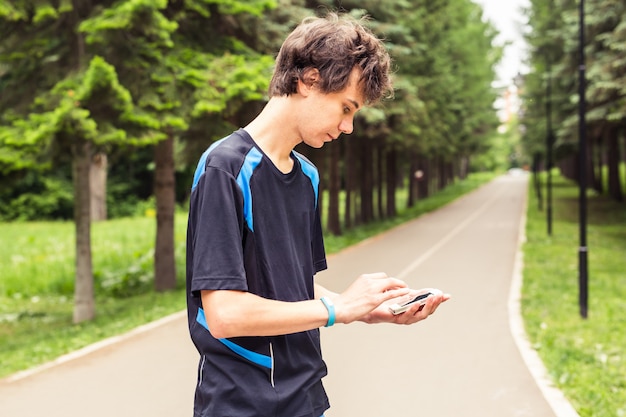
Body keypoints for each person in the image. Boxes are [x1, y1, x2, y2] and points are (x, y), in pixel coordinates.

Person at [186, 12, 450, 417]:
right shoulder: (225, 168)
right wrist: (336, 311)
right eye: (346, 108)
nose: (348, 127)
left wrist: (362, 309)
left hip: (307, 398)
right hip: (241, 404)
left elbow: (293, 289)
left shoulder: (306, 176)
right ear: (308, 80)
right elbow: (224, 314)